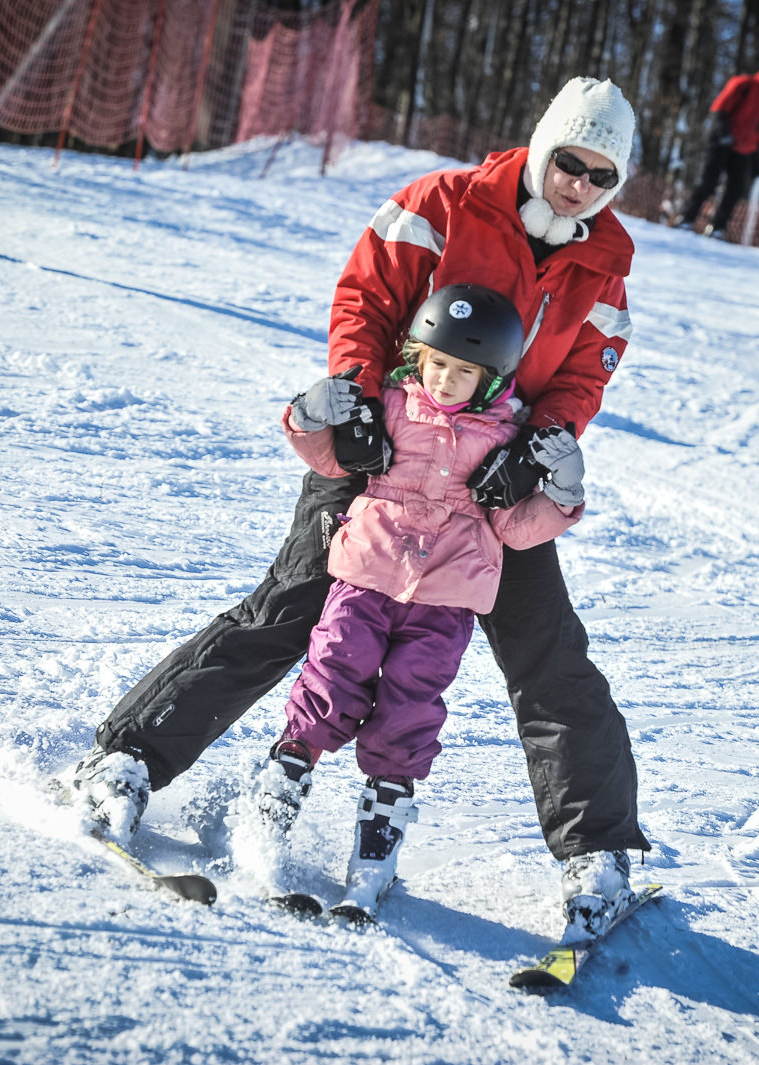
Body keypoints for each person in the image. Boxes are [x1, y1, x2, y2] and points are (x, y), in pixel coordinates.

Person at [68, 75, 652, 937]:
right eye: (570, 161)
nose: (580, 184)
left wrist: (539, 444)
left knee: (548, 652)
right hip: (389, 448)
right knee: (291, 608)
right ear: (541, 148)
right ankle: (126, 758)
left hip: (491, 483)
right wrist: (358, 397)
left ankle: (597, 853)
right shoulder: (442, 203)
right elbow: (367, 299)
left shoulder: (606, 264)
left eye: (602, 176)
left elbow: (581, 377)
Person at [246, 284, 586, 918]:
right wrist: (308, 415)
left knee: (409, 712)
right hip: (365, 579)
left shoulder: (507, 440)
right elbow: (331, 461)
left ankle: (374, 856)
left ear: (492, 379)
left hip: (444, 604)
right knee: (330, 680)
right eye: (438, 364)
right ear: (418, 358)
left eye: (464, 372)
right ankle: (272, 808)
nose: (447, 380)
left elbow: (516, 529)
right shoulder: (393, 406)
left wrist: (562, 493)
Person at [675, 57, 759, 238]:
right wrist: (723, 133)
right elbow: (720, 107)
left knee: (735, 190)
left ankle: (717, 228)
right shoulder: (744, 83)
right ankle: (686, 218)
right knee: (708, 182)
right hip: (722, 142)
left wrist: (756, 158)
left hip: (745, 150)